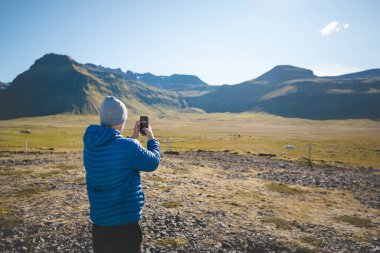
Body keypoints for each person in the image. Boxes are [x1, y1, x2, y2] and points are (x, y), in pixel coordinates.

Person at [83, 96, 161, 253]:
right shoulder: (127, 147)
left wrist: (132, 139)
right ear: (122, 119)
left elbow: (112, 154)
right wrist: (152, 140)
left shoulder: (91, 142)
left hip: (99, 223)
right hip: (124, 223)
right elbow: (153, 162)